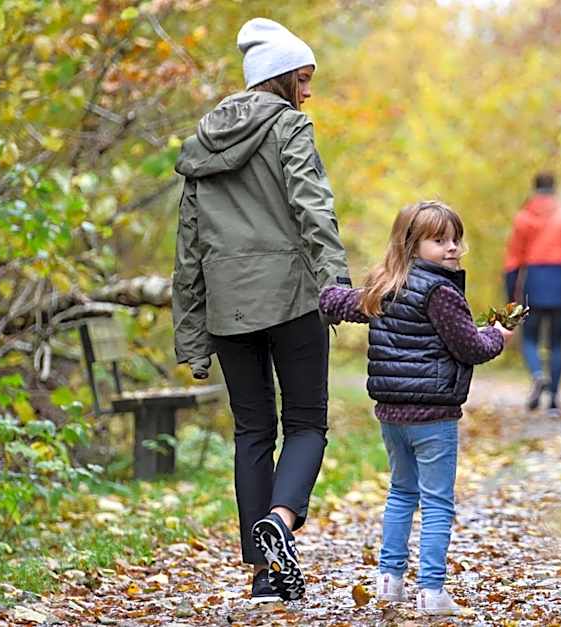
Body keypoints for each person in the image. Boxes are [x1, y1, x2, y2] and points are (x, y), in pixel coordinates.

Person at [171, 18, 351, 603]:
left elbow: (189, 247)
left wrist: (192, 336)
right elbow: (312, 208)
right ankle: (280, 518)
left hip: (228, 309)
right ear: (277, 79)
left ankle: (264, 574)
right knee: (306, 423)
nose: (308, 92)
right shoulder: (290, 130)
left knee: (252, 432)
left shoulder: (201, 149)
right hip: (293, 297)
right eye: (303, 79)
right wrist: (337, 284)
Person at [319, 201, 511, 616]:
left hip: (391, 413)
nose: (452, 248)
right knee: (437, 501)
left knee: (402, 493)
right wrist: (497, 335)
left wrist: (327, 292)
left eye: (455, 239)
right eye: (439, 240)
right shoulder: (441, 292)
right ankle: (432, 589)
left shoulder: (384, 286)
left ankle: (389, 582)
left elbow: (343, 303)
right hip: (433, 416)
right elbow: (470, 347)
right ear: (411, 244)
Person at [503, 172, 561, 417]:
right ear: (554, 188)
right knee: (557, 342)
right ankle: (554, 401)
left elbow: (513, 260)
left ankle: (538, 374)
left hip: (534, 281)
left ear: (534, 188)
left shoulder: (523, 218)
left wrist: (511, 295)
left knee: (529, 338)